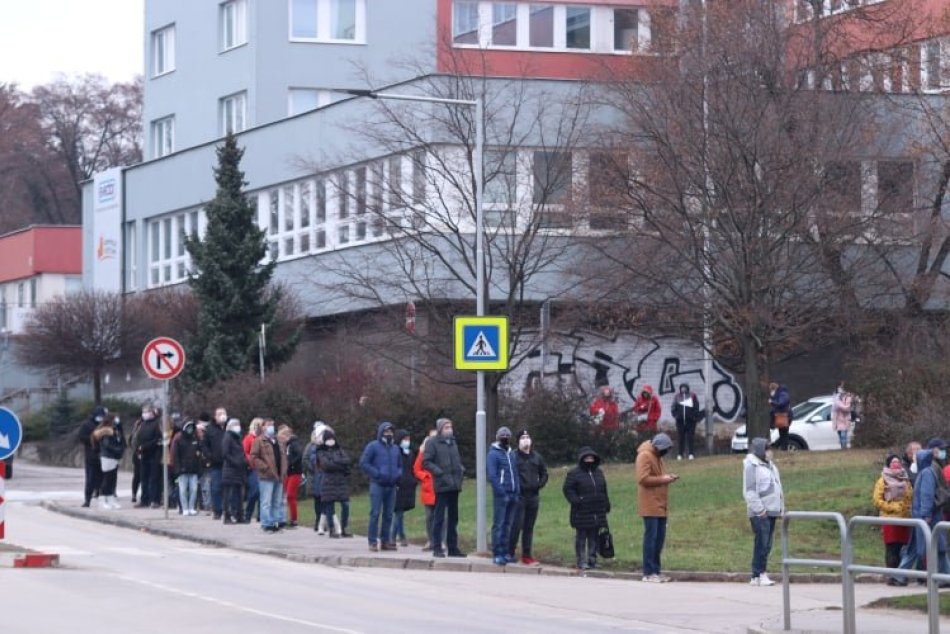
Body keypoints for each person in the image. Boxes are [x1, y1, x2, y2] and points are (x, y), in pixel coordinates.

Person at [636, 432, 678, 582]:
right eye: (664, 449)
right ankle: (648, 572)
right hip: (650, 504)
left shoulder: (657, 457)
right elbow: (643, 478)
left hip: (661, 504)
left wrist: (667, 477)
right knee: (651, 538)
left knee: (659, 539)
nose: (665, 452)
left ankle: (656, 570)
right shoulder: (645, 455)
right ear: (657, 447)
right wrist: (664, 479)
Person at [743, 437, 785, 586]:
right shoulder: (752, 466)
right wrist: (759, 509)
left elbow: (777, 487)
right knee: (762, 543)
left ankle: (757, 575)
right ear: (761, 450)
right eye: (767, 449)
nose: (770, 452)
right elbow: (750, 491)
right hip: (760, 512)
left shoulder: (770, 466)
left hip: (772, 510)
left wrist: (780, 508)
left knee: (767, 544)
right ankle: (759, 573)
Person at [423, 417, 467, 558]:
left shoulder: (453, 442)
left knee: (453, 517)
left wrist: (461, 470)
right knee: (439, 517)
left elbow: (456, 460)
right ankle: (437, 547)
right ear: (440, 429)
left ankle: (452, 547)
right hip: (442, 485)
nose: (449, 429)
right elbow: (427, 462)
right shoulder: (432, 443)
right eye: (446, 427)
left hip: (454, 484)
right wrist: (439, 473)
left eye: (450, 426)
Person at [562, 446, 610, 571]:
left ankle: (592, 560)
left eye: (591, 458)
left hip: (597, 510)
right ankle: (581, 561)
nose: (589, 460)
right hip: (581, 510)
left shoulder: (599, 472)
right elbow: (568, 489)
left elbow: (604, 489)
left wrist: (606, 504)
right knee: (581, 537)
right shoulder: (574, 473)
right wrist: (577, 501)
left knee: (594, 536)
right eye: (587, 458)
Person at [910, 438, 950, 578]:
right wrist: (926, 514)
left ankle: (943, 575)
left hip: (927, 515)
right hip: (929, 515)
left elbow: (926, 495)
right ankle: (942, 575)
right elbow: (926, 495)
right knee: (933, 546)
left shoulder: (926, 471)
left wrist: (925, 514)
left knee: (934, 546)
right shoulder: (929, 471)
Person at [359, 421, 402, 551]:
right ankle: (372, 541)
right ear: (381, 432)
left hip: (392, 485)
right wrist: (376, 474)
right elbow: (364, 463)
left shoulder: (395, 448)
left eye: (390, 431)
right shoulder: (373, 446)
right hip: (377, 484)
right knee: (375, 513)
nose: (388, 434)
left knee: (389, 514)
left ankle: (385, 540)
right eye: (386, 431)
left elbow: (400, 465)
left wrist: (398, 475)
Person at [872, 453, 913, 586]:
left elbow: (910, 497)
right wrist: (893, 507)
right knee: (892, 548)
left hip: (905, 519)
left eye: (898, 462)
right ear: (888, 464)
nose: (896, 464)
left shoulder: (905, 479)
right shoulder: (882, 480)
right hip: (889, 519)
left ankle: (901, 576)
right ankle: (891, 575)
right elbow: (877, 501)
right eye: (893, 462)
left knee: (903, 548)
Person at [510, 429, 548, 566]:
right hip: (519, 496)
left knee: (529, 527)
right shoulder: (513, 456)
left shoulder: (536, 457)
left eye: (527, 437)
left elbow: (544, 472)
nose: (526, 440)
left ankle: (527, 555)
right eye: (522, 437)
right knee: (516, 525)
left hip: (533, 496)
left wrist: (540, 484)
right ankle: (510, 552)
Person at [488, 426, 520, 565]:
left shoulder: (511, 453)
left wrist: (517, 490)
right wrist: (501, 492)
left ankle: (506, 552)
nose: (505, 437)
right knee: (499, 524)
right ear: (498, 437)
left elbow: (515, 473)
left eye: (507, 435)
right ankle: (497, 552)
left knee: (508, 525)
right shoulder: (493, 454)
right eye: (503, 435)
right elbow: (492, 475)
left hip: (513, 493)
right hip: (501, 495)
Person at [250, 418, 286, 532]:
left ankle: (276, 522)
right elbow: (254, 457)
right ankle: (266, 523)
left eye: (273, 424)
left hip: (279, 475)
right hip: (266, 476)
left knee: (277, 501)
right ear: (263, 427)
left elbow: (283, 456)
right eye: (269, 425)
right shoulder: (259, 440)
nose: (271, 427)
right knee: (266, 501)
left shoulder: (277, 441)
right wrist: (265, 467)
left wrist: (284, 469)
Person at [317, 429, 352, 538]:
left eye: (332, 438)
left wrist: (334, 462)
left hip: (341, 481)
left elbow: (347, 461)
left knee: (346, 505)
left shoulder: (340, 449)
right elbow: (326, 465)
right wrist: (339, 464)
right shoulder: (321, 451)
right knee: (329, 506)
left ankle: (344, 527)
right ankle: (331, 529)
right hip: (328, 481)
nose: (331, 441)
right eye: (328, 439)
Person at [201, 406, 228, 519]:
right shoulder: (210, 429)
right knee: (216, 488)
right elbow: (204, 446)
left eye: (223, 413)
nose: (222, 416)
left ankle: (228, 510)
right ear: (215, 416)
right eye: (219, 414)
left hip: (228, 464)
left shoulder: (230, 427)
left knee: (228, 488)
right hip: (216, 464)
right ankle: (217, 511)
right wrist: (210, 457)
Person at [93, 414, 125, 509]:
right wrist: (117, 449)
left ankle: (110, 498)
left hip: (113, 457)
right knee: (107, 479)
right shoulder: (106, 432)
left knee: (112, 479)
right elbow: (107, 445)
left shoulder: (115, 431)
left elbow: (120, 440)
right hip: (107, 457)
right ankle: (102, 499)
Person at [135, 404, 163, 508]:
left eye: (146, 412)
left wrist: (145, 446)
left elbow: (158, 439)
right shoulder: (142, 424)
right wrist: (138, 448)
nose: (144, 414)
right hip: (144, 455)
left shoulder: (157, 424)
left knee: (154, 479)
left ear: (152, 413)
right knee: (144, 478)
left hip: (154, 454)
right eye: (143, 412)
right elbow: (137, 437)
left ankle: (154, 500)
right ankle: (144, 499)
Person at [172, 419, 202, 516]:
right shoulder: (178, 439)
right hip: (182, 470)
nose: (190, 429)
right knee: (183, 490)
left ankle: (191, 507)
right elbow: (175, 455)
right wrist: (177, 469)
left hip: (193, 469)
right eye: (188, 427)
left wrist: (199, 468)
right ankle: (184, 508)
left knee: (194, 489)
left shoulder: (195, 439)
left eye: (191, 427)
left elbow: (199, 454)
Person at [393, 430, 417, 547]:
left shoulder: (410, 453)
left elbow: (413, 468)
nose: (407, 442)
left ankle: (399, 535)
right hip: (398, 484)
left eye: (408, 439)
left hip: (408, 485)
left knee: (401, 512)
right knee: (398, 512)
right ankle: (396, 536)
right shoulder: (395, 452)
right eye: (405, 439)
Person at [78, 405, 106, 507]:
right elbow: (81, 436)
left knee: (103, 479)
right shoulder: (87, 425)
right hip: (91, 456)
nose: (101, 418)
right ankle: (87, 499)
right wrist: (93, 440)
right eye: (99, 416)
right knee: (90, 479)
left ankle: (102, 498)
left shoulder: (105, 425)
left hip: (103, 456)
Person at [414, 431, 437, 550]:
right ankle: (430, 540)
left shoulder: (442, 451)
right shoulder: (422, 453)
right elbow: (416, 469)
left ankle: (440, 541)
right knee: (429, 517)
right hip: (428, 490)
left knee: (441, 517)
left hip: (440, 488)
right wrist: (425, 477)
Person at [221, 418, 247, 524]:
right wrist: (236, 462)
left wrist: (243, 461)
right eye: (236, 424)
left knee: (239, 494)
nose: (238, 426)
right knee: (229, 494)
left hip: (239, 470)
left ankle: (239, 515)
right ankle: (227, 515)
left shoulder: (237, 438)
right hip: (230, 470)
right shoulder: (228, 437)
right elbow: (225, 453)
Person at [279, 424, 303, 528]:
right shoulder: (287, 445)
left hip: (294, 472)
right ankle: (287, 518)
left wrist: (291, 464)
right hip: (288, 473)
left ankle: (294, 519)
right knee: (287, 496)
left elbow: (299, 455)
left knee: (290, 495)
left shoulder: (293, 444)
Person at [242, 417, 264, 523]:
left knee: (262, 492)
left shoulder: (263, 439)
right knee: (254, 492)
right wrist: (251, 460)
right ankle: (248, 514)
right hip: (252, 468)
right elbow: (245, 452)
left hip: (262, 468)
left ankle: (260, 515)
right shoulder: (249, 438)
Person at [672, 383, 701, 460]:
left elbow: (696, 406)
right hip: (680, 422)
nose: (683, 389)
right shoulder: (677, 396)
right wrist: (676, 416)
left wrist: (694, 417)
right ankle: (680, 454)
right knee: (680, 438)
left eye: (685, 387)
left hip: (690, 421)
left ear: (687, 388)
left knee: (690, 438)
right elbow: (673, 408)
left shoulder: (692, 396)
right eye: (682, 388)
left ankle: (691, 453)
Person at [768, 382, 792, 451]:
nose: (771, 392)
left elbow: (781, 404)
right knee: (782, 433)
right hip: (782, 416)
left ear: (774, 389)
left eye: (771, 390)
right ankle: (783, 448)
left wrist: (772, 402)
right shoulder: (780, 394)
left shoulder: (782, 394)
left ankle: (784, 448)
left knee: (784, 433)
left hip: (784, 416)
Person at [832, 384, 853, 450]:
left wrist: (839, 405)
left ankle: (844, 448)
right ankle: (842, 447)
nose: (840, 390)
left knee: (843, 435)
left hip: (844, 419)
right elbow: (833, 408)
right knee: (840, 434)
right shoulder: (837, 397)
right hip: (838, 419)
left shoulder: (848, 397)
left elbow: (847, 408)